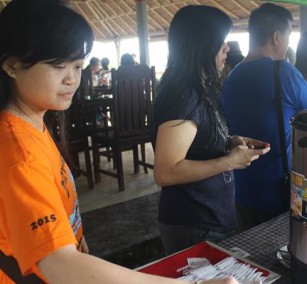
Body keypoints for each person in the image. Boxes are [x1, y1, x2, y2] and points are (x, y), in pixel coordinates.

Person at [0, 1, 236, 284]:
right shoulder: (18, 151)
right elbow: (59, 265)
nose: (71, 79)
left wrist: (71, 235)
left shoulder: (33, 125)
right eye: (58, 65)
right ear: (12, 64)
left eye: (78, 66)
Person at [151, 5, 270, 256]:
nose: (227, 47)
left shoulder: (197, 87)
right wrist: (230, 161)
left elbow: (195, 142)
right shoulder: (183, 95)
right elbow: (166, 171)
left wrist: (226, 141)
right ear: (201, 43)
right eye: (220, 41)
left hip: (208, 216)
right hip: (193, 222)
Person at [220, 3, 307, 232]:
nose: (287, 44)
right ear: (277, 37)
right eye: (288, 36)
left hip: (240, 188)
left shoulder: (233, 76)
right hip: (275, 190)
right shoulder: (282, 72)